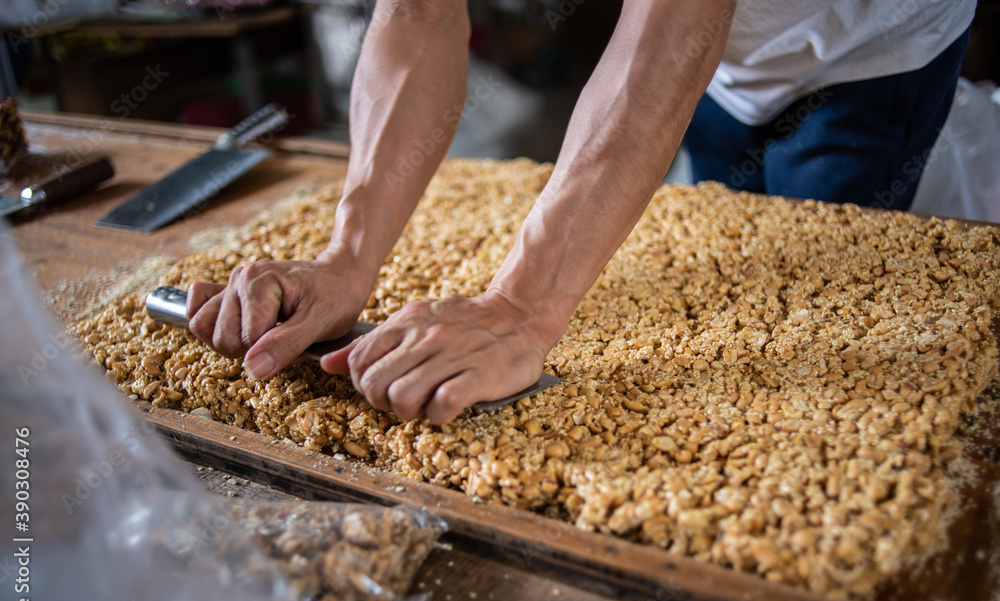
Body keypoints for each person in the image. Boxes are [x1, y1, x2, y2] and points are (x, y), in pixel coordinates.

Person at [186, 0, 974, 425]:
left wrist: (521, 307)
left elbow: (675, 24)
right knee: (732, 216)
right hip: (722, 51)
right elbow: (417, 17)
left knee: (820, 302)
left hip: (866, 42)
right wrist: (348, 253)